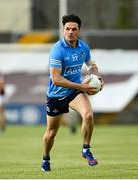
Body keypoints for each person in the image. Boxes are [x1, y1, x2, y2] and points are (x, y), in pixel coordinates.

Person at [41, 14, 104, 171]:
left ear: (79, 31)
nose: (70, 32)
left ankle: (86, 149)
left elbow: (92, 65)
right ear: (63, 30)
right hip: (56, 95)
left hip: (74, 92)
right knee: (51, 133)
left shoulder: (83, 47)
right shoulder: (57, 50)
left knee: (88, 115)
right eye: (67, 29)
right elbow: (56, 79)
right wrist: (81, 87)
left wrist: (97, 76)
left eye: (73, 29)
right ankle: (46, 158)